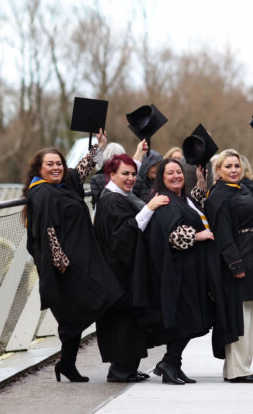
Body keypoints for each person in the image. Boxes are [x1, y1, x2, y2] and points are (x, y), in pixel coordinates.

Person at [22, 130, 122, 382]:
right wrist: (59, 259)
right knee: (83, 308)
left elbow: (80, 171)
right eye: (50, 165)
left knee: (81, 311)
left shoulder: (62, 185)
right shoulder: (43, 193)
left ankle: (67, 364)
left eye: (58, 164)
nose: (56, 168)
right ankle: (73, 363)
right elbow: (47, 228)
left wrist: (98, 147)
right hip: (67, 264)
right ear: (39, 169)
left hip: (82, 258)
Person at [203, 141, 253, 383]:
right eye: (228, 166)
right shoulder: (218, 196)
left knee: (250, 317)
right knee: (240, 317)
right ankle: (239, 370)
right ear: (219, 170)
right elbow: (223, 235)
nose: (234, 169)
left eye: (237, 165)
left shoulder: (243, 189)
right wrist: (235, 265)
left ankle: (238, 368)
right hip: (238, 262)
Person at [93, 154, 170, 382]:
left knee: (133, 322)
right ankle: (119, 371)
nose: (131, 178)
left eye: (133, 173)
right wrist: (150, 207)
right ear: (111, 174)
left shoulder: (121, 196)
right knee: (123, 323)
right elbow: (125, 234)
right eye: (124, 174)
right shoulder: (110, 201)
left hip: (124, 272)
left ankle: (127, 368)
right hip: (119, 274)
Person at [143, 158, 216, 384]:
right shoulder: (164, 201)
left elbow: (192, 208)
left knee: (193, 317)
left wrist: (202, 183)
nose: (176, 176)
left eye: (179, 172)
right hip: (178, 272)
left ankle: (172, 364)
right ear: (161, 179)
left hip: (190, 269)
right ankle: (169, 362)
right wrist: (198, 235)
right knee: (187, 318)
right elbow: (173, 235)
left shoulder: (180, 199)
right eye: (170, 173)